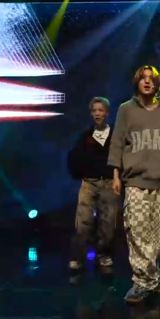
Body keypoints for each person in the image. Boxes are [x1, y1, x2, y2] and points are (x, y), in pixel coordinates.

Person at [108, 65, 160, 304]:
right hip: (136, 183)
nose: (147, 82)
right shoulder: (126, 109)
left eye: (151, 79)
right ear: (137, 82)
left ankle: (151, 277)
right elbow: (117, 142)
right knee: (138, 234)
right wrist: (115, 175)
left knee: (159, 235)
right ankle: (141, 282)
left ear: (157, 84)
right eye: (143, 78)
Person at [67, 97, 117, 271]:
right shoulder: (85, 137)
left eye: (100, 110)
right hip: (89, 183)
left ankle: (104, 255)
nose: (97, 113)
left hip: (109, 183)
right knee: (83, 222)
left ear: (107, 113)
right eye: (94, 110)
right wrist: (80, 174)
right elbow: (74, 157)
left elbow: (122, 158)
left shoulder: (116, 135)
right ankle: (78, 257)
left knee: (108, 223)